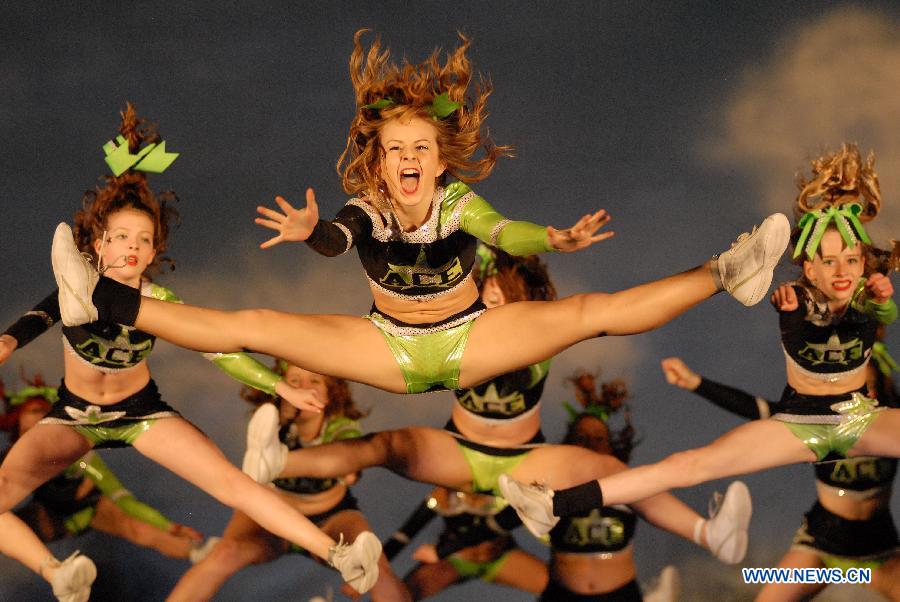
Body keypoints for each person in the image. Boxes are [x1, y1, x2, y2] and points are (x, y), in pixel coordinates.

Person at [49, 29, 789, 415]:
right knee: (257, 323)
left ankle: (728, 273)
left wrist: (554, 239)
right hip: (389, 346)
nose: (407, 158)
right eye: (394, 147)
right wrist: (312, 232)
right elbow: (338, 241)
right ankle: (102, 301)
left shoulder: (461, 204)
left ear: (441, 162)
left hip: (473, 337)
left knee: (589, 313)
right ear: (378, 159)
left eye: (420, 149)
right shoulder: (368, 208)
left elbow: (508, 236)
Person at [0, 105, 380, 595]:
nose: (131, 248)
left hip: (140, 413)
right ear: (96, 244)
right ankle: (58, 574)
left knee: (232, 484)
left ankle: (339, 554)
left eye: (143, 240)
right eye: (119, 238)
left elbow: (221, 352)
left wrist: (276, 382)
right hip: (74, 414)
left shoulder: (160, 302)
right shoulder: (75, 290)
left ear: (155, 251)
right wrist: (8, 341)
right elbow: (34, 320)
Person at [242, 245, 751, 569]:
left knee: (609, 471)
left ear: (522, 298)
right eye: (482, 295)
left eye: (497, 295)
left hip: (526, 460)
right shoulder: (464, 327)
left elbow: (604, 313)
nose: (488, 304)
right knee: (384, 445)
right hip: (460, 451)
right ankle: (278, 462)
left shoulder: (538, 329)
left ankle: (710, 534)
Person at [499, 144, 899, 544]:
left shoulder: (867, 295)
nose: (842, 270)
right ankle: (551, 506)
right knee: (689, 465)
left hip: (859, 418)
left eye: (851, 260)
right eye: (828, 261)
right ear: (809, 267)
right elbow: (801, 325)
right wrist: (788, 310)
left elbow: (877, 311)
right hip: (798, 424)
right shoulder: (795, 296)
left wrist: (880, 300)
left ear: (863, 264)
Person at [661, 352, 900, 600]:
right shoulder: (818, 422)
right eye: (856, 389)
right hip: (821, 546)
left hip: (878, 548)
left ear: (881, 389)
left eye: (869, 387)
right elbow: (757, 409)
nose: (864, 395)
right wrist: (696, 383)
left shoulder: (890, 425)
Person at [168, 361, 410, 601]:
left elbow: (352, 458)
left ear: (330, 392)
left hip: (331, 516)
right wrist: (282, 413)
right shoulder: (271, 420)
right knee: (224, 553)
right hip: (269, 515)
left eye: (314, 381)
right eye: (295, 381)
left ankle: (278, 463)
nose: (304, 387)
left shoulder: (341, 427)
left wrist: (349, 469)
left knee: (377, 570)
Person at [540, 370, 736, 601]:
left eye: (599, 438)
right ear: (568, 444)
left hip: (621, 594)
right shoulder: (551, 485)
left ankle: (708, 533)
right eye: (581, 437)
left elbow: (656, 503)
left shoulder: (627, 483)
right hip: (562, 594)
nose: (590, 444)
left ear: (612, 447)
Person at [383, 485, 548, 599]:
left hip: (500, 556)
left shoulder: (497, 491)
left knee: (560, 588)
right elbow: (403, 535)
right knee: (398, 596)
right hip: (455, 560)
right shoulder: (441, 497)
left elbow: (500, 524)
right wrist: (372, 566)